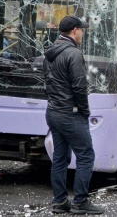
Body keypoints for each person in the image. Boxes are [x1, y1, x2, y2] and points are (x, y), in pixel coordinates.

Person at [43, 15, 104, 215]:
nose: (83, 34)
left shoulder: (50, 52)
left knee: (60, 158)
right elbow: (79, 86)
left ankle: (60, 201)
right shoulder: (73, 54)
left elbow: (47, 83)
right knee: (86, 155)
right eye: (82, 30)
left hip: (53, 111)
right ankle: (80, 202)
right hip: (70, 113)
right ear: (75, 30)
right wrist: (85, 112)